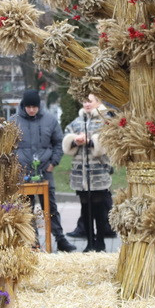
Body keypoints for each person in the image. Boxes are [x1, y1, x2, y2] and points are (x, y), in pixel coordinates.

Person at [11, 89, 75, 253]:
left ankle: (59, 238)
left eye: (35, 107)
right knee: (26, 208)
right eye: (29, 107)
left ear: (39, 106)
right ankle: (33, 241)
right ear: (23, 106)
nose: (32, 110)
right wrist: (14, 165)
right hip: (23, 172)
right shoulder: (13, 122)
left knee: (50, 207)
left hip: (45, 170)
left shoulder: (50, 120)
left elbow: (58, 142)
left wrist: (53, 162)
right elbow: (7, 147)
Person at [62, 94, 115, 252]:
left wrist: (91, 142)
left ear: (98, 102)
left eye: (90, 101)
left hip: (98, 172)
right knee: (85, 208)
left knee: (99, 208)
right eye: (84, 101)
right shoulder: (78, 121)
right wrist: (74, 140)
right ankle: (89, 242)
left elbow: (109, 141)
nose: (86, 104)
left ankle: (100, 242)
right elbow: (67, 136)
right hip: (80, 174)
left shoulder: (105, 120)